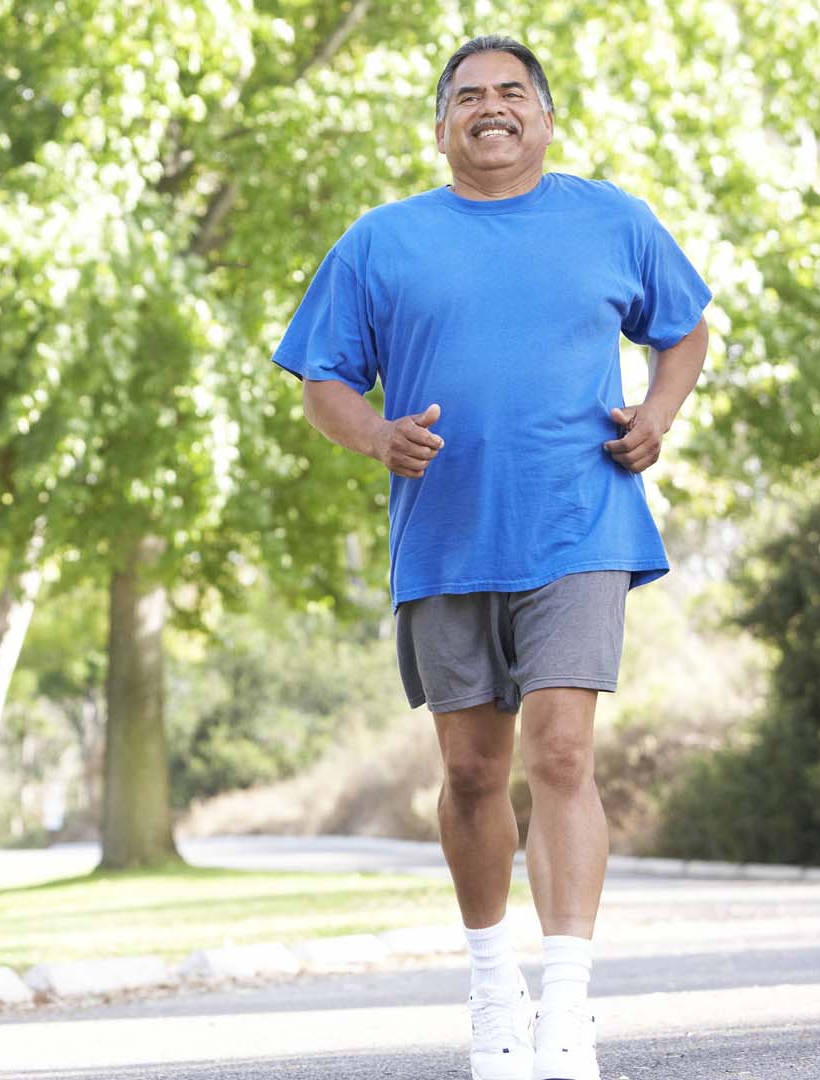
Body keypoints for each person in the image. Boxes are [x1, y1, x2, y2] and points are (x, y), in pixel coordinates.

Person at [269, 34, 712, 1080]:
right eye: (469, 96)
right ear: (441, 128)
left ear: (546, 118)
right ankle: (491, 991)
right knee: (472, 772)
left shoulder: (613, 220)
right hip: (447, 533)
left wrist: (657, 413)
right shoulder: (383, 241)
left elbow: (684, 331)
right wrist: (377, 437)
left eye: (513, 92)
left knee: (562, 754)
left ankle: (567, 1007)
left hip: (580, 522)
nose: (492, 106)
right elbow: (323, 380)